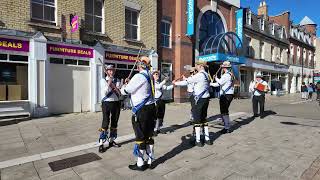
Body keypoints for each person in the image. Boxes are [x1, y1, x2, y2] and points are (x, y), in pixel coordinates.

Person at [121, 56, 156, 171]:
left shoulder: (138, 76)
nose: (137, 65)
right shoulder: (150, 76)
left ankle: (140, 164)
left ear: (140, 65)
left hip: (142, 111)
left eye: (138, 63)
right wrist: (130, 83)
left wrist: (125, 85)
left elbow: (126, 91)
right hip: (151, 108)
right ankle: (150, 161)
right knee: (149, 135)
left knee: (140, 136)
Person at [185, 61, 212, 147]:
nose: (195, 66)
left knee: (197, 119)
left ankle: (198, 141)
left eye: (196, 65)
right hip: (206, 99)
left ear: (200, 66)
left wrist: (181, 80)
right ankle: (207, 139)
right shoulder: (206, 74)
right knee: (204, 118)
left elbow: (189, 80)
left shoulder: (200, 75)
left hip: (199, 100)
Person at [98, 65, 122, 153]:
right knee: (105, 122)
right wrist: (109, 82)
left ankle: (111, 141)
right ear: (106, 71)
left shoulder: (117, 80)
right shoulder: (103, 80)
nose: (111, 72)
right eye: (109, 70)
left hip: (116, 102)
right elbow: (105, 92)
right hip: (106, 103)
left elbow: (120, 92)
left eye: (112, 70)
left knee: (114, 122)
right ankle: (101, 143)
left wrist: (123, 86)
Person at [210, 61, 234, 134]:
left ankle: (227, 127)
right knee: (225, 111)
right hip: (229, 94)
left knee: (224, 111)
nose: (222, 68)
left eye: (223, 67)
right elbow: (221, 81)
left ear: (224, 68)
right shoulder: (230, 74)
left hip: (225, 95)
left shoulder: (226, 75)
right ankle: (226, 125)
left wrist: (210, 83)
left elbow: (218, 84)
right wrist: (216, 78)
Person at [152, 70, 173, 135]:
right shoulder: (152, 83)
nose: (157, 75)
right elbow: (158, 87)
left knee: (161, 115)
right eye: (155, 74)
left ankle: (158, 129)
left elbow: (166, 88)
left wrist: (173, 85)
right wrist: (165, 81)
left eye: (157, 74)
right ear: (152, 76)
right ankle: (153, 130)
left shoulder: (159, 83)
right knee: (155, 116)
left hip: (161, 100)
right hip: (155, 101)